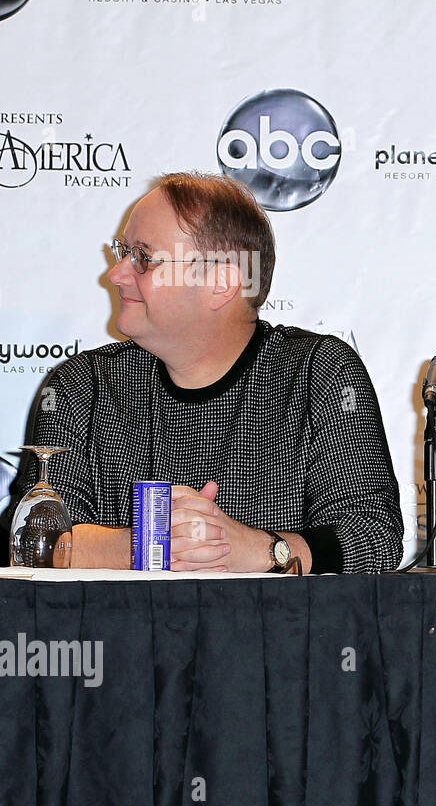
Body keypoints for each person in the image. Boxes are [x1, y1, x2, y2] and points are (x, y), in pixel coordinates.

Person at [1, 172, 403, 573]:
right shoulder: (81, 383)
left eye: (143, 257)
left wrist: (259, 550)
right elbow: (30, 538)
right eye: (122, 251)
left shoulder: (319, 372)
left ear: (221, 283)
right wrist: (155, 543)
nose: (117, 274)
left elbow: (373, 537)